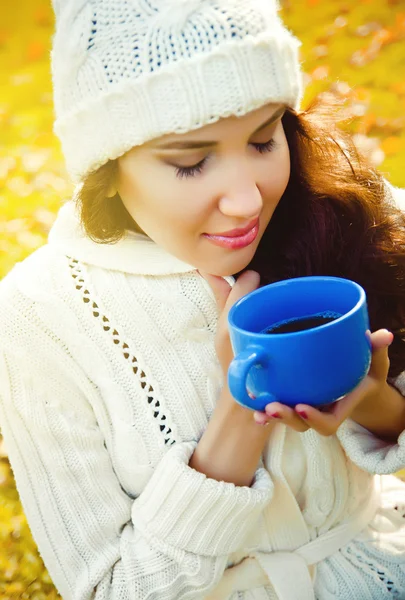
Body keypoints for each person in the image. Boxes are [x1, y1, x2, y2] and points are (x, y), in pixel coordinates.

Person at [0, 0, 404, 598]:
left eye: (265, 139)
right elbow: (109, 589)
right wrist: (240, 411)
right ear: (107, 167)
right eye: (192, 163)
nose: (246, 200)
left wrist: (376, 405)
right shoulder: (38, 316)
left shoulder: (344, 214)